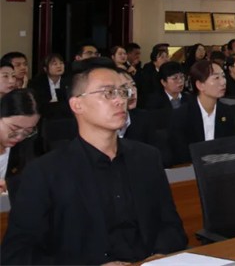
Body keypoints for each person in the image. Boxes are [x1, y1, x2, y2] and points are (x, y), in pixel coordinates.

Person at [1, 59, 187, 264]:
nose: (120, 100)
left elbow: (172, 227)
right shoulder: (45, 172)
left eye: (123, 91)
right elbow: (17, 255)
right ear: (77, 104)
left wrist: (160, 255)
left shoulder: (147, 158)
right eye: (108, 93)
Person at [169, 60, 234, 165]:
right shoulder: (182, 115)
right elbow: (180, 153)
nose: (223, 82)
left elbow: (230, 147)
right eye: (216, 78)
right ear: (200, 85)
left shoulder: (226, 112)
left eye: (223, 76)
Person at [0, 88, 40, 199]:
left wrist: (9, 185)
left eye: (27, 131)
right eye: (14, 128)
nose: (19, 137)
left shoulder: (25, 145)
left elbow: (29, 177)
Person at [28, 53, 70, 119]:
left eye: (61, 63)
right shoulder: (37, 83)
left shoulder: (70, 81)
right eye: (55, 64)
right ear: (45, 69)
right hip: (44, 117)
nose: (59, 66)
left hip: (65, 116)